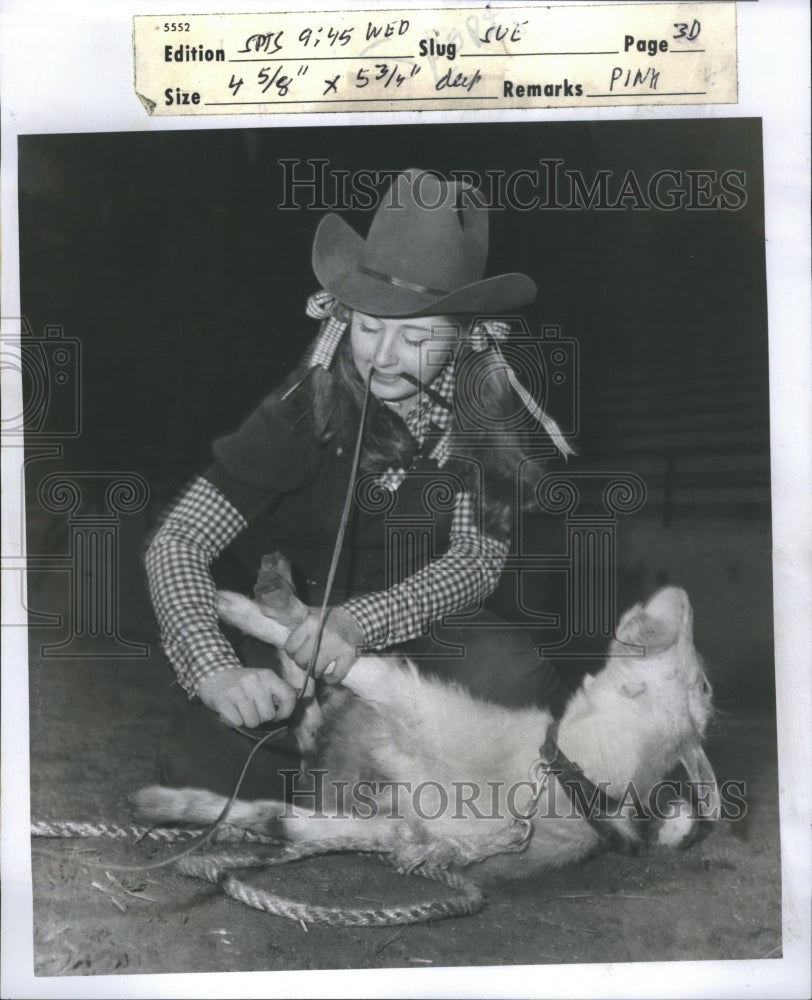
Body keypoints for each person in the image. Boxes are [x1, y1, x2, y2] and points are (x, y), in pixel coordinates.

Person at [145, 168, 572, 798]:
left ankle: (396, 774)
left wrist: (356, 623)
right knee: (198, 769)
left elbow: (476, 562)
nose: (383, 355)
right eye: (369, 328)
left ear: (464, 339)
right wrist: (218, 675)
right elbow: (177, 542)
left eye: (416, 336)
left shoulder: (485, 419)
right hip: (296, 636)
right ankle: (380, 778)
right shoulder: (302, 405)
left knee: (515, 676)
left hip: (422, 640)